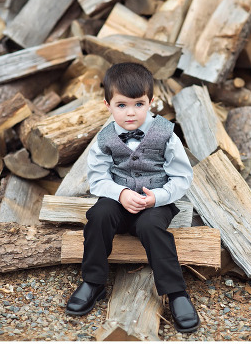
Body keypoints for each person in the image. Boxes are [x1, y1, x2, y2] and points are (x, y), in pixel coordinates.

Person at [65, 62, 200, 333]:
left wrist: (156, 198)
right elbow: (98, 179)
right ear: (108, 105)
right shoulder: (104, 138)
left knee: (150, 226)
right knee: (99, 215)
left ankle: (176, 293)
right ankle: (94, 282)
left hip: (155, 204)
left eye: (139, 104)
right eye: (122, 105)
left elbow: (182, 178)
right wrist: (121, 193)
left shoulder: (166, 134)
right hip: (118, 200)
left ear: (152, 101)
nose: (130, 113)